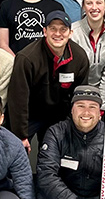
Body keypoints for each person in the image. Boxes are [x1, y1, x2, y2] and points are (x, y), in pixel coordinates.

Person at [7, 10, 90, 149]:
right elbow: (18, 99)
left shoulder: (79, 57)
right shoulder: (26, 58)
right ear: (45, 31)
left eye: (63, 29)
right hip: (29, 113)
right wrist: (20, 136)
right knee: (16, 150)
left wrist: (73, 128)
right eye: (53, 29)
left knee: (53, 154)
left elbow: (79, 97)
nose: (58, 34)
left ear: (70, 33)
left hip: (58, 114)